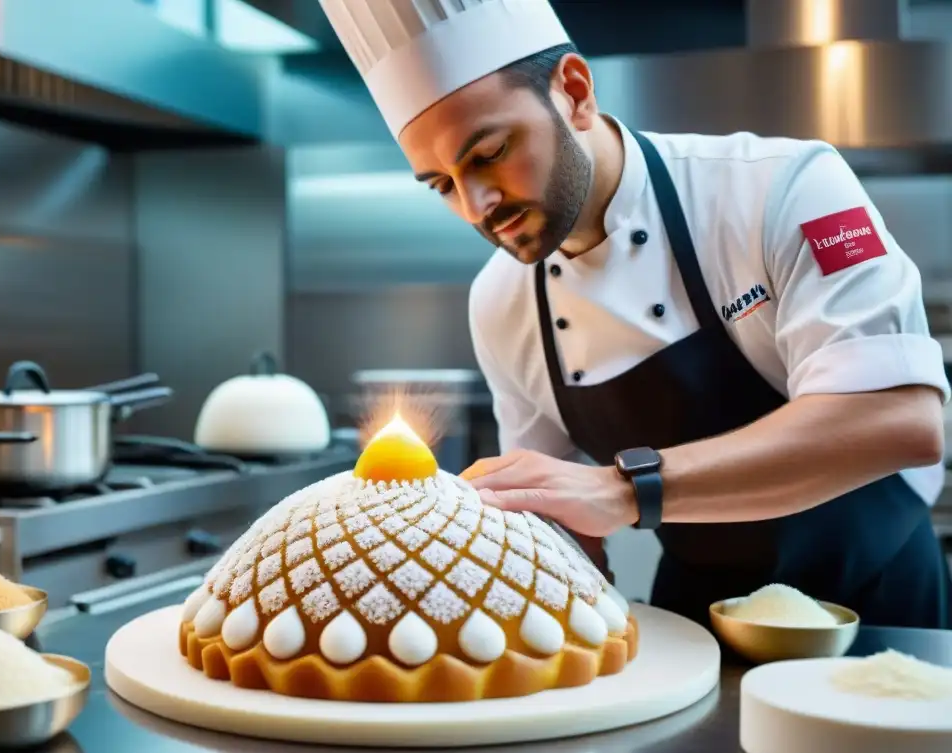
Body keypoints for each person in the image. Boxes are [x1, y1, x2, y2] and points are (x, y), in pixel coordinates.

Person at [318, 0, 952, 629]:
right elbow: (551, 520)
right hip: (696, 619)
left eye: (488, 153)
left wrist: (625, 491)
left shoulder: (781, 187)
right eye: (442, 185)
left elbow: (900, 418)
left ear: (574, 90)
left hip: (882, 603)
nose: (477, 204)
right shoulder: (500, 302)